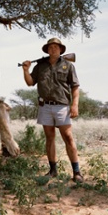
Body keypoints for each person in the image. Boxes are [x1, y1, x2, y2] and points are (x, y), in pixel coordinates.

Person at [22, 38, 83, 183]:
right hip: (45, 106)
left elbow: (75, 87)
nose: (53, 49)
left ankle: (76, 172)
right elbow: (30, 82)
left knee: (68, 137)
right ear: (47, 50)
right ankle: (52, 170)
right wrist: (25, 70)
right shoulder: (40, 66)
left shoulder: (68, 65)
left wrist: (75, 105)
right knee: (49, 137)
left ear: (61, 49)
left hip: (62, 106)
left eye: (56, 47)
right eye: (50, 47)